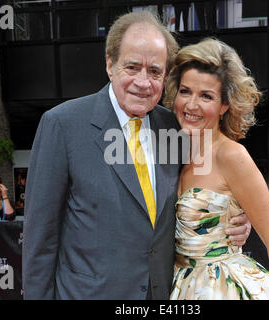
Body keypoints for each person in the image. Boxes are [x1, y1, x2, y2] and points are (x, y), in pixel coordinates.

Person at [22, 11, 251, 300]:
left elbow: (209, 187)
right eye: (132, 67)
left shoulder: (175, 128)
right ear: (110, 64)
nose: (143, 82)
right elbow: (40, 239)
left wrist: (238, 219)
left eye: (155, 71)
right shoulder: (63, 125)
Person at [164, 38, 269, 300]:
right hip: (178, 288)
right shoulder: (176, 151)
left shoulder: (232, 156)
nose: (191, 105)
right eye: (185, 91)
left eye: (206, 96)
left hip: (220, 289)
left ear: (225, 105)